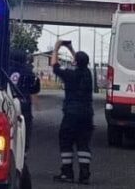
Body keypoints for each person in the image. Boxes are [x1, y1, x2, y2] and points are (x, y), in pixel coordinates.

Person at [51, 40, 94, 184]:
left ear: (75, 62)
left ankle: (67, 173)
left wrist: (57, 48)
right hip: (87, 114)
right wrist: (71, 49)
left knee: (66, 141)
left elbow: (55, 67)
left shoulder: (70, 75)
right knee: (83, 144)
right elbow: (80, 62)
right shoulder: (88, 74)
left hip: (71, 114)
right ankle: (84, 174)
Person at [8, 48, 41, 151]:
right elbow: (35, 89)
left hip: (7, 102)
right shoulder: (28, 71)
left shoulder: (4, 69)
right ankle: (23, 153)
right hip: (24, 104)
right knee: (25, 129)